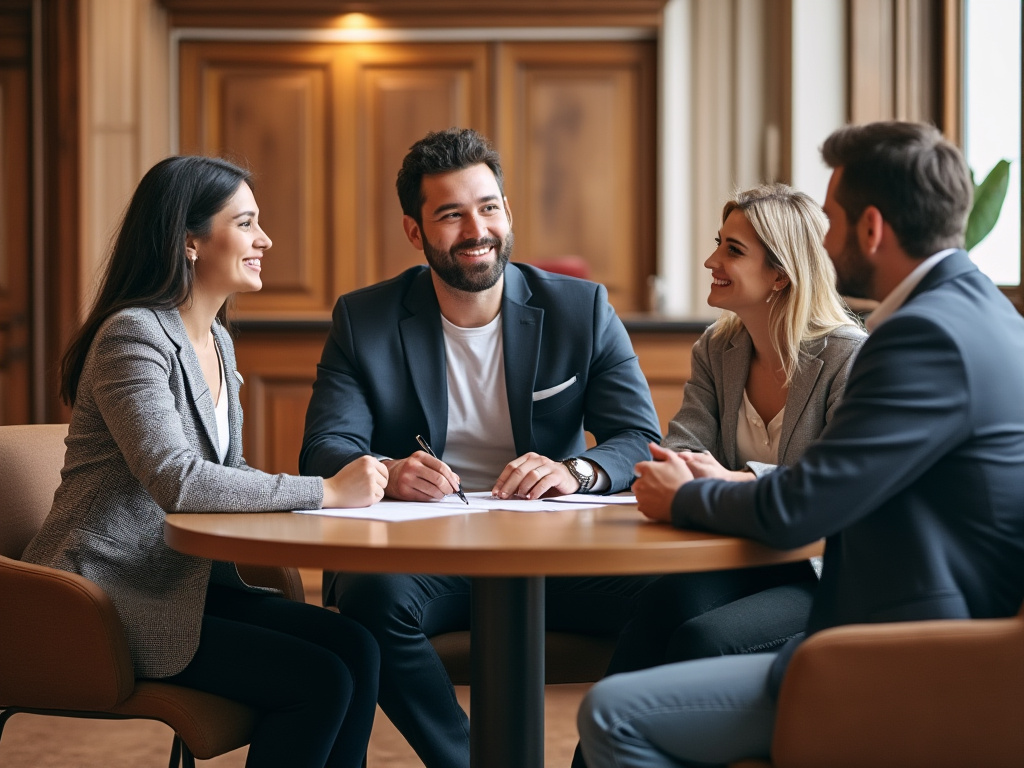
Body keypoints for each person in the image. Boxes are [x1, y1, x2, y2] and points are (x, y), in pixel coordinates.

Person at [577, 121, 1024, 767]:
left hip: (917, 650)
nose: (824, 238)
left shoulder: (920, 337)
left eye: (832, 219)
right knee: (664, 611)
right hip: (928, 619)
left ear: (870, 228)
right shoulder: (983, 313)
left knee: (614, 715)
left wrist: (689, 495)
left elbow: (802, 507)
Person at [299, 127, 663, 768]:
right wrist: (388, 471)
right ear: (415, 233)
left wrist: (575, 470)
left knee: (680, 598)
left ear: (508, 212)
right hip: (423, 550)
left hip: (559, 549)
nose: (477, 229)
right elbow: (327, 445)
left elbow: (638, 438)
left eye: (489, 207)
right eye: (451, 214)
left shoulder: (581, 308)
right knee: (364, 601)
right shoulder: (366, 318)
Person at [22, 156, 389, 768]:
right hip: (108, 597)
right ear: (189, 241)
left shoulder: (215, 338)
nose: (264, 239)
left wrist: (344, 493)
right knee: (318, 679)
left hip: (185, 583)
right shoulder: (132, 336)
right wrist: (324, 491)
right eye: (245, 223)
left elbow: (231, 470)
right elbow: (178, 479)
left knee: (357, 646)